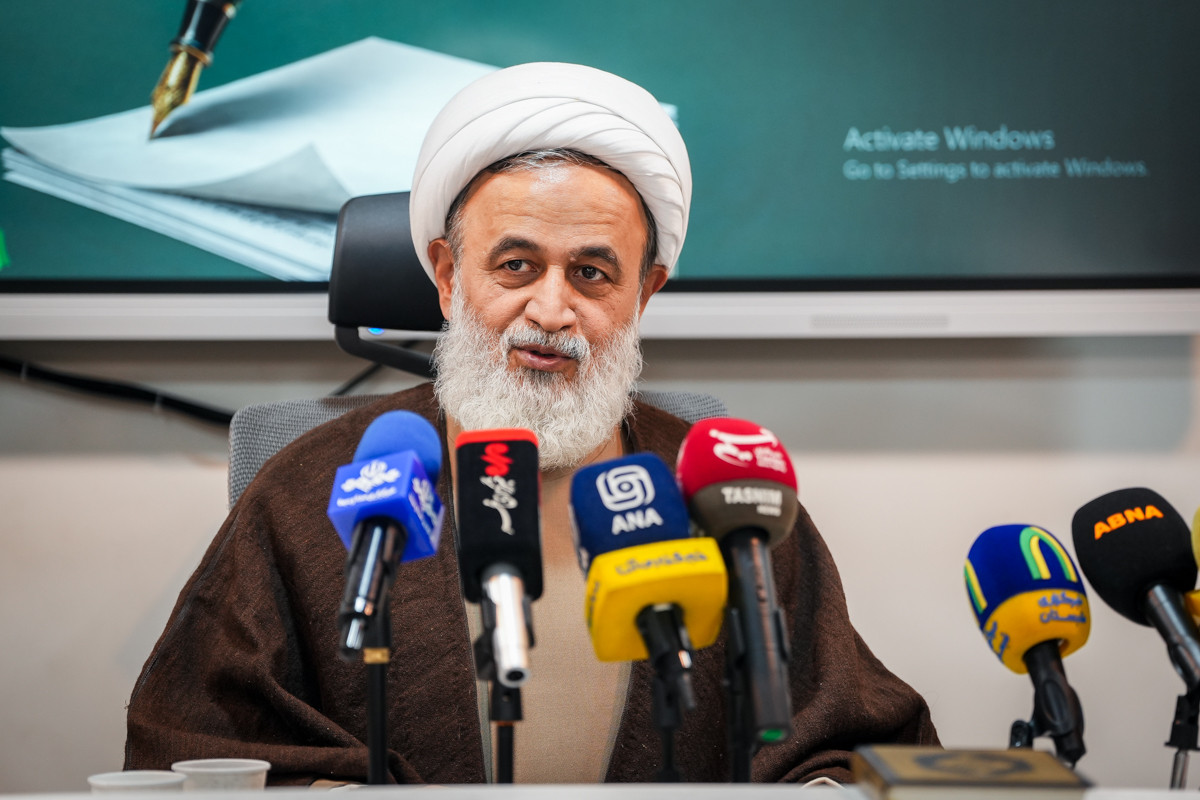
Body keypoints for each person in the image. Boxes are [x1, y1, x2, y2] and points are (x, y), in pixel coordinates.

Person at [124, 62, 937, 786]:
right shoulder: (310, 487)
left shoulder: (725, 497)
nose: (551, 310)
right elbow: (188, 744)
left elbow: (850, 742)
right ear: (448, 277)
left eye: (592, 273)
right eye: (516, 266)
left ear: (645, 294)